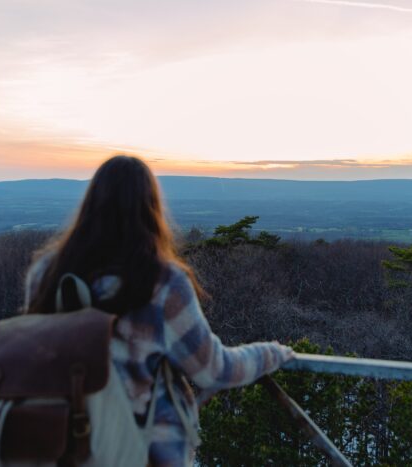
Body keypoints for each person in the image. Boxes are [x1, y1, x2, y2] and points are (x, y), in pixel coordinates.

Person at [23, 155, 294, 466]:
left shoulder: (47, 272)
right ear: (151, 209)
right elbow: (214, 370)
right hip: (141, 451)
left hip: (57, 444)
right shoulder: (162, 282)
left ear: (90, 204)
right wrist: (274, 353)